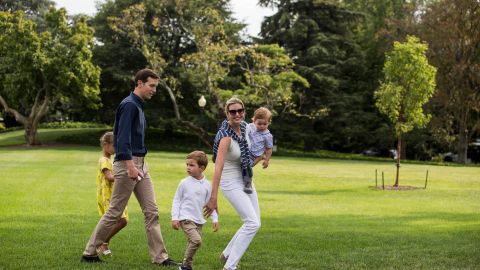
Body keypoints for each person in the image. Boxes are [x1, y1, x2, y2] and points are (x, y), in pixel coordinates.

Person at [81, 68, 177, 266]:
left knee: (152, 211)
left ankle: (160, 257)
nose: (154, 90)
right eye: (151, 86)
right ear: (139, 84)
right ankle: (89, 252)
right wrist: (130, 165)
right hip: (128, 163)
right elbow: (122, 138)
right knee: (115, 211)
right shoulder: (130, 105)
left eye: (156, 87)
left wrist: (138, 164)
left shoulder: (138, 105)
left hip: (141, 163)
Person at [204, 97, 261, 270]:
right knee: (252, 223)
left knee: (254, 221)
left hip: (245, 179)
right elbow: (218, 168)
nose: (237, 114)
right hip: (229, 182)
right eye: (232, 111)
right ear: (227, 114)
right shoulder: (225, 137)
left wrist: (264, 153)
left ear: (244, 111)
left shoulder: (245, 127)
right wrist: (213, 198)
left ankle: (227, 253)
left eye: (240, 110)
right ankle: (230, 266)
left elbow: (261, 133)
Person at [171, 151, 219, 270]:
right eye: (187, 164)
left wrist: (215, 219)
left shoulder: (207, 185)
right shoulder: (184, 183)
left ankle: (187, 265)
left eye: (192, 165)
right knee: (196, 241)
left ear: (202, 168)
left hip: (199, 220)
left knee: (193, 243)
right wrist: (175, 218)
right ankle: (185, 266)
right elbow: (176, 200)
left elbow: (210, 204)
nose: (188, 167)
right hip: (185, 218)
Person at [95, 131, 128, 256]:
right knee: (121, 221)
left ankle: (103, 242)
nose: (116, 148)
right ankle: (102, 242)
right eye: (114, 145)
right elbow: (109, 177)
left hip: (114, 194)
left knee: (119, 221)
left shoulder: (110, 159)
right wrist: (124, 175)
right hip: (108, 195)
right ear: (105, 144)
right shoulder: (104, 160)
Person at [244, 107, 273, 193]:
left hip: (254, 155)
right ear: (254, 120)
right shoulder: (250, 127)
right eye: (259, 123)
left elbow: (269, 148)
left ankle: (248, 182)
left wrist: (267, 160)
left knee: (248, 166)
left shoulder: (267, 135)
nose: (262, 126)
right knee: (241, 165)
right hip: (245, 150)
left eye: (265, 124)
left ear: (269, 122)